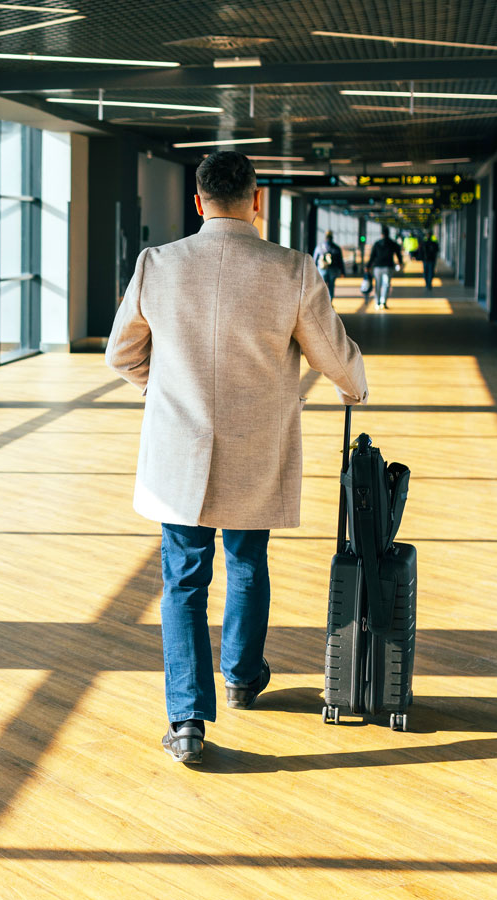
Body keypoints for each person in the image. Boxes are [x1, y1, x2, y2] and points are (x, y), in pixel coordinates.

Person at [105, 151, 369, 764]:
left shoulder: (157, 265)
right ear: (257, 202)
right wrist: (353, 386)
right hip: (257, 446)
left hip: (180, 450)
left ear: (198, 203)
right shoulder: (292, 270)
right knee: (248, 561)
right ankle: (244, 677)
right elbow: (331, 351)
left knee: (183, 577)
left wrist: (159, 386)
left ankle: (188, 719)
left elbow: (122, 355)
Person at [367, 225, 403, 309]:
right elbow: (398, 254)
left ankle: (377, 302)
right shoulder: (392, 243)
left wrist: (368, 266)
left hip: (377, 267)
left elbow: (372, 256)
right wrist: (400, 262)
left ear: (382, 234)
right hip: (388, 267)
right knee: (386, 285)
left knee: (378, 285)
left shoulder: (377, 243)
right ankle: (384, 302)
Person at [313, 230, 345, 299]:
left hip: (322, 269)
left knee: (322, 286)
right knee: (331, 286)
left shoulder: (319, 247)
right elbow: (340, 261)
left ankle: (322, 302)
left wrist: (313, 271)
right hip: (333, 270)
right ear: (332, 237)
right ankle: (330, 302)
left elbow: (315, 260)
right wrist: (342, 272)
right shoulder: (336, 248)